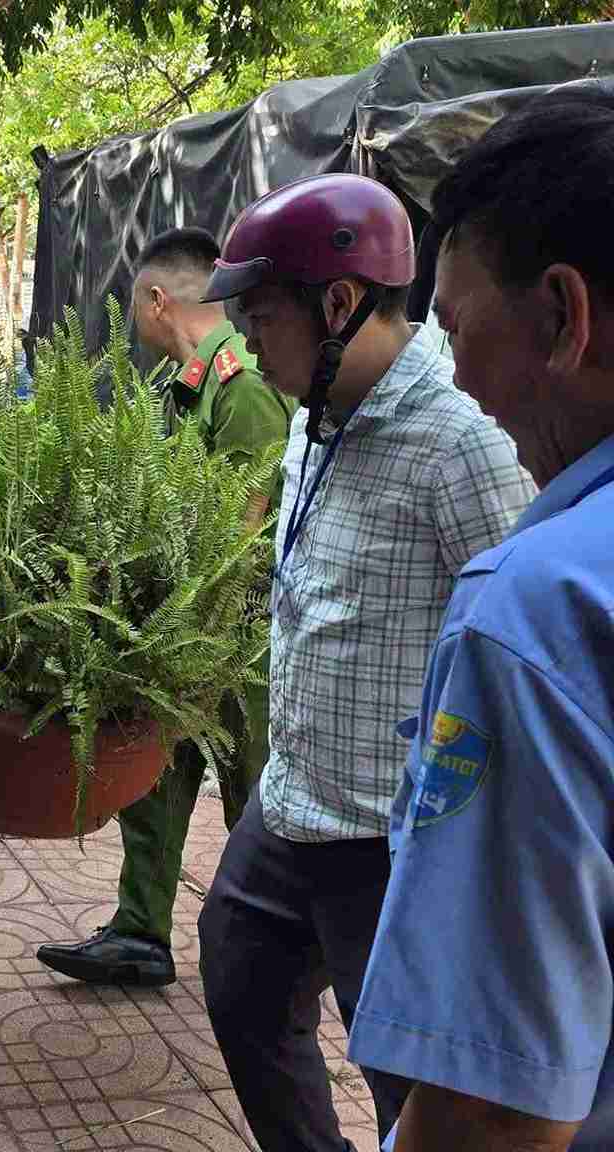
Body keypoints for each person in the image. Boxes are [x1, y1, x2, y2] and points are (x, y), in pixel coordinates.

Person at [191, 174, 537, 1151]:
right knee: (240, 981)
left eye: (258, 316)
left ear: (338, 305)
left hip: (392, 841)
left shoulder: (460, 443)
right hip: (295, 795)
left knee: (411, 1087)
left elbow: (517, 649)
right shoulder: (316, 406)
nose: (243, 342)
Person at [345, 86, 614, 1152]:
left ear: (561, 316)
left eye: (456, 327)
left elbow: (496, 1110)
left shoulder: (537, 612)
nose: (454, 370)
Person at [36, 226, 296, 988]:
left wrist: (174, 622)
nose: (132, 324)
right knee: (152, 780)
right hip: (183, 631)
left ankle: (274, 956)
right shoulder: (182, 386)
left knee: (254, 794)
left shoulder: (242, 384)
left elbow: (238, 528)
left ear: (157, 300)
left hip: (238, 636)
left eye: (132, 307)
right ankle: (140, 933)